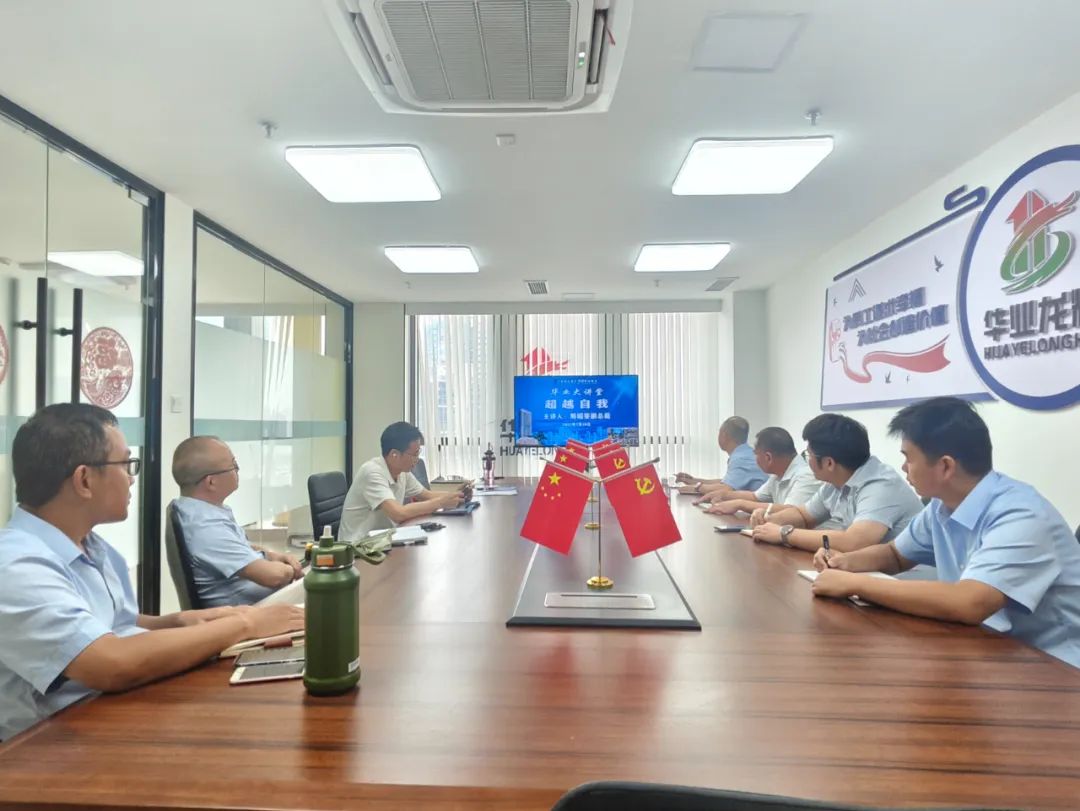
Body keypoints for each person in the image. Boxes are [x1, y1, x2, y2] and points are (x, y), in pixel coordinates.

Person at [0, 404, 303, 740]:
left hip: (118, 711)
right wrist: (247, 624)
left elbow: (112, 624)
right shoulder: (16, 566)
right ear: (84, 480)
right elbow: (111, 663)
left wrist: (177, 621)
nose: (132, 478)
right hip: (55, 745)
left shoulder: (90, 545)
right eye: (125, 465)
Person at [811, 397, 1080, 668]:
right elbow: (895, 555)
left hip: (1055, 667)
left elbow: (970, 602)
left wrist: (856, 584)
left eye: (908, 457)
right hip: (986, 648)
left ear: (945, 466)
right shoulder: (942, 506)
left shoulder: (1021, 515)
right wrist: (845, 561)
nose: (903, 467)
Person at [751, 413, 922, 553]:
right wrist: (769, 521)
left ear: (829, 463)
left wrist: (784, 533)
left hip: (903, 579)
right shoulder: (835, 482)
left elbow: (854, 542)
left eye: (809, 455)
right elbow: (804, 516)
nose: (807, 461)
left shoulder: (881, 485)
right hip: (865, 571)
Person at [170, 436, 303, 607]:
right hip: (252, 611)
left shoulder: (198, 510)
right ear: (211, 482)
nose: (237, 470)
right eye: (233, 466)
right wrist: (293, 569)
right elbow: (273, 576)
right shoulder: (206, 528)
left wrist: (272, 556)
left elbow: (239, 546)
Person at [338, 421, 469, 542]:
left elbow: (426, 495)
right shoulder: (372, 473)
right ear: (394, 454)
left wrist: (460, 496)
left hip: (383, 540)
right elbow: (398, 513)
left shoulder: (402, 472)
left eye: (418, 453)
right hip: (359, 548)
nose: (417, 459)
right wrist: (440, 502)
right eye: (414, 454)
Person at [704, 427, 822, 518]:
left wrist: (740, 504)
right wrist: (724, 495)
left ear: (768, 458)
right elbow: (755, 497)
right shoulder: (777, 474)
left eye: (755, 454)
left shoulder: (806, 475)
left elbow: (791, 512)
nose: (754, 458)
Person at [675, 416, 767, 497]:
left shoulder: (741, 459)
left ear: (724, 435)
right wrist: (693, 481)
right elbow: (724, 483)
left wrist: (695, 488)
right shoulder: (746, 453)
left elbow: (724, 488)